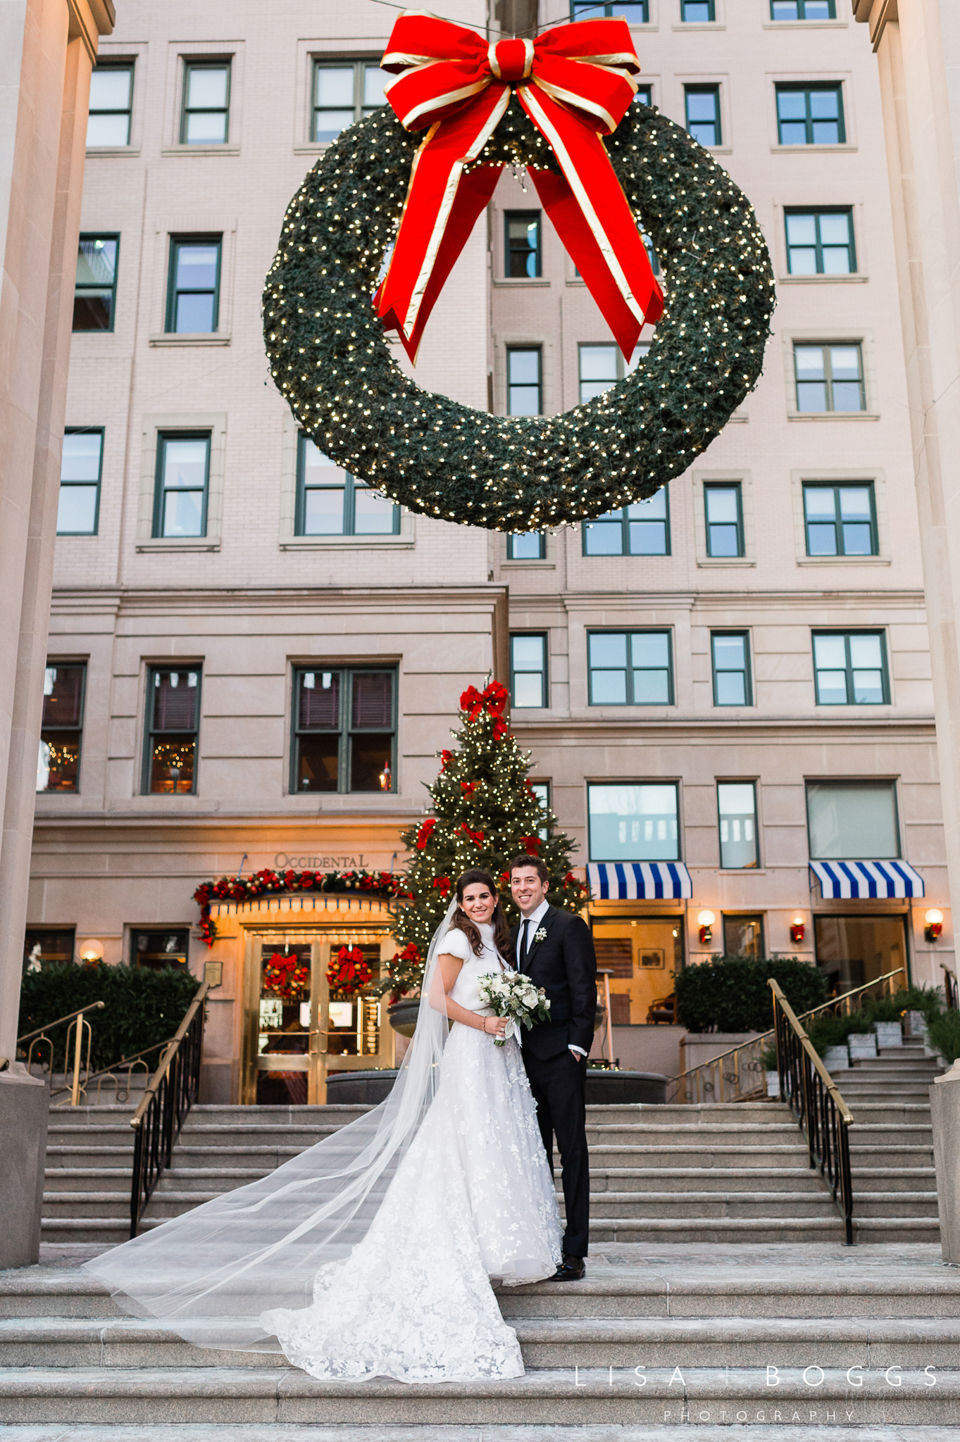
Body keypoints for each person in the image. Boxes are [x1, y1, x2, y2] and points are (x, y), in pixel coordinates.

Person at [84, 869, 561, 1384]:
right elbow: (436, 1001)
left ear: (495, 899)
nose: (478, 904)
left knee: (496, 1145)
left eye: (484, 896)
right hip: (473, 1052)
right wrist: (485, 1021)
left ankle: (500, 1240)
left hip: (499, 1058)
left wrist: (510, 1013)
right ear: (460, 903)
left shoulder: (499, 941)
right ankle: (469, 1238)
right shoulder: (455, 939)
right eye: (469, 897)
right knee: (466, 1142)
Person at [510, 854, 597, 1281]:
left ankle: (575, 1250)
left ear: (544, 885)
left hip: (562, 1058)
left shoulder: (567, 926)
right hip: (523, 1061)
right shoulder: (511, 934)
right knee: (534, 1154)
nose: (522, 887)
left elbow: (584, 989)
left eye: (529, 880)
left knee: (572, 1152)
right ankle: (544, 1241)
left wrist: (577, 1048)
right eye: (515, 882)